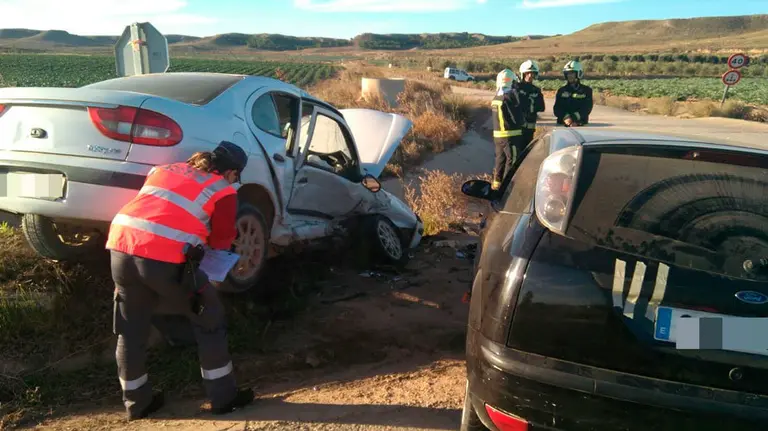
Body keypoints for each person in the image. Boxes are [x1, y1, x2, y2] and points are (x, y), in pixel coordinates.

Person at [106, 141, 255, 421]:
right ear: (231, 172)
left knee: (131, 329)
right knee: (209, 316)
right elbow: (221, 240)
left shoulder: (163, 169)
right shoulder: (222, 190)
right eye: (236, 177)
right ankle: (224, 398)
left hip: (120, 248)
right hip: (162, 258)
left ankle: (137, 404)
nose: (235, 182)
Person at [490, 68, 526, 190]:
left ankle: (496, 186)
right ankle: (507, 189)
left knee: (500, 161)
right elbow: (518, 119)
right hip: (510, 137)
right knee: (513, 162)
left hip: (498, 137)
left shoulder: (496, 98)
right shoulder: (509, 97)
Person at [553, 60, 593, 127]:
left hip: (581, 125)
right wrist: (566, 117)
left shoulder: (586, 90)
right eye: (568, 73)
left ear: (578, 74)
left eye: (572, 73)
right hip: (562, 124)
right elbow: (557, 108)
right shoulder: (561, 90)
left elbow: (587, 108)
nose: (569, 75)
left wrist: (574, 118)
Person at [518, 59, 546, 147]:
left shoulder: (536, 90)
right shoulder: (516, 88)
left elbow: (542, 107)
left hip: (530, 130)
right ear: (523, 74)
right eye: (527, 73)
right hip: (517, 129)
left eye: (532, 73)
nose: (530, 75)